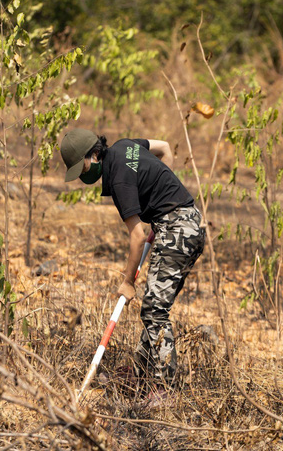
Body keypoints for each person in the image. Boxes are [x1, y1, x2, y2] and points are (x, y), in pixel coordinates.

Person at [60, 128, 206, 393]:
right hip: (190, 222)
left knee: (153, 310)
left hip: (176, 230)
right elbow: (164, 148)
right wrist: (163, 194)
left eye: (80, 167)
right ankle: (140, 375)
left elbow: (137, 236)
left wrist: (128, 282)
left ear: (94, 154)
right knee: (155, 304)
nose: (81, 174)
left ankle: (163, 390)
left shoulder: (118, 180)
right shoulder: (125, 146)